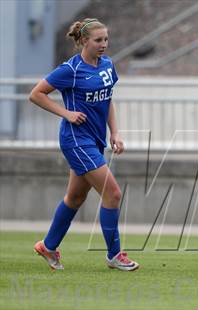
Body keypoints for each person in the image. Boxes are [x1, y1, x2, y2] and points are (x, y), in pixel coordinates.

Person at [29, 18, 139, 271]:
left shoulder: (108, 65)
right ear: (83, 41)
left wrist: (115, 133)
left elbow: (108, 99)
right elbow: (36, 94)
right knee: (113, 193)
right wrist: (66, 113)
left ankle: (48, 246)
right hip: (76, 140)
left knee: (75, 197)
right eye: (98, 40)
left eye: (106, 39)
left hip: (95, 140)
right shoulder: (71, 69)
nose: (104, 44)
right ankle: (114, 255)